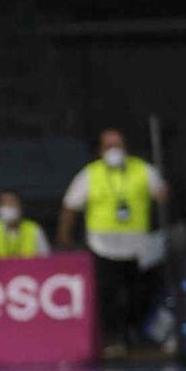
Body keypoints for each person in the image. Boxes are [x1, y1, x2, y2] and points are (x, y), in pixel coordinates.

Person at [59, 129, 168, 351]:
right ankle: (112, 340)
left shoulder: (143, 169)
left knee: (141, 293)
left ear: (126, 147)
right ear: (100, 150)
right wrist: (64, 235)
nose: (114, 150)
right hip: (103, 246)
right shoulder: (90, 174)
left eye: (118, 145)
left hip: (138, 246)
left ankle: (138, 336)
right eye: (109, 146)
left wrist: (163, 194)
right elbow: (70, 205)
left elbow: (163, 196)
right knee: (107, 296)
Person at [0, 191, 50, 259]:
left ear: (21, 206)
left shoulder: (34, 229)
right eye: (4, 203)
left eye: (12, 202)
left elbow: (44, 257)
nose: (8, 206)